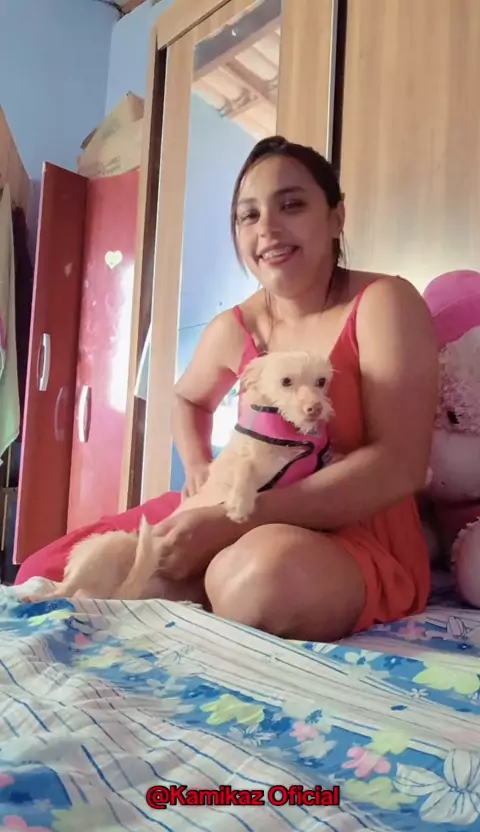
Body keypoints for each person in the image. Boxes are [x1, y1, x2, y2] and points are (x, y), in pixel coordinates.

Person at [16, 136, 439, 642]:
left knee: (255, 582)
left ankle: (187, 588)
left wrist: (236, 520)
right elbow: (186, 398)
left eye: (292, 205)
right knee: (45, 570)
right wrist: (199, 467)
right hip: (232, 504)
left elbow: (399, 465)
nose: (268, 229)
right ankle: (182, 586)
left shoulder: (384, 303)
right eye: (248, 216)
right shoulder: (234, 327)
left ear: (336, 217)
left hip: (353, 530)